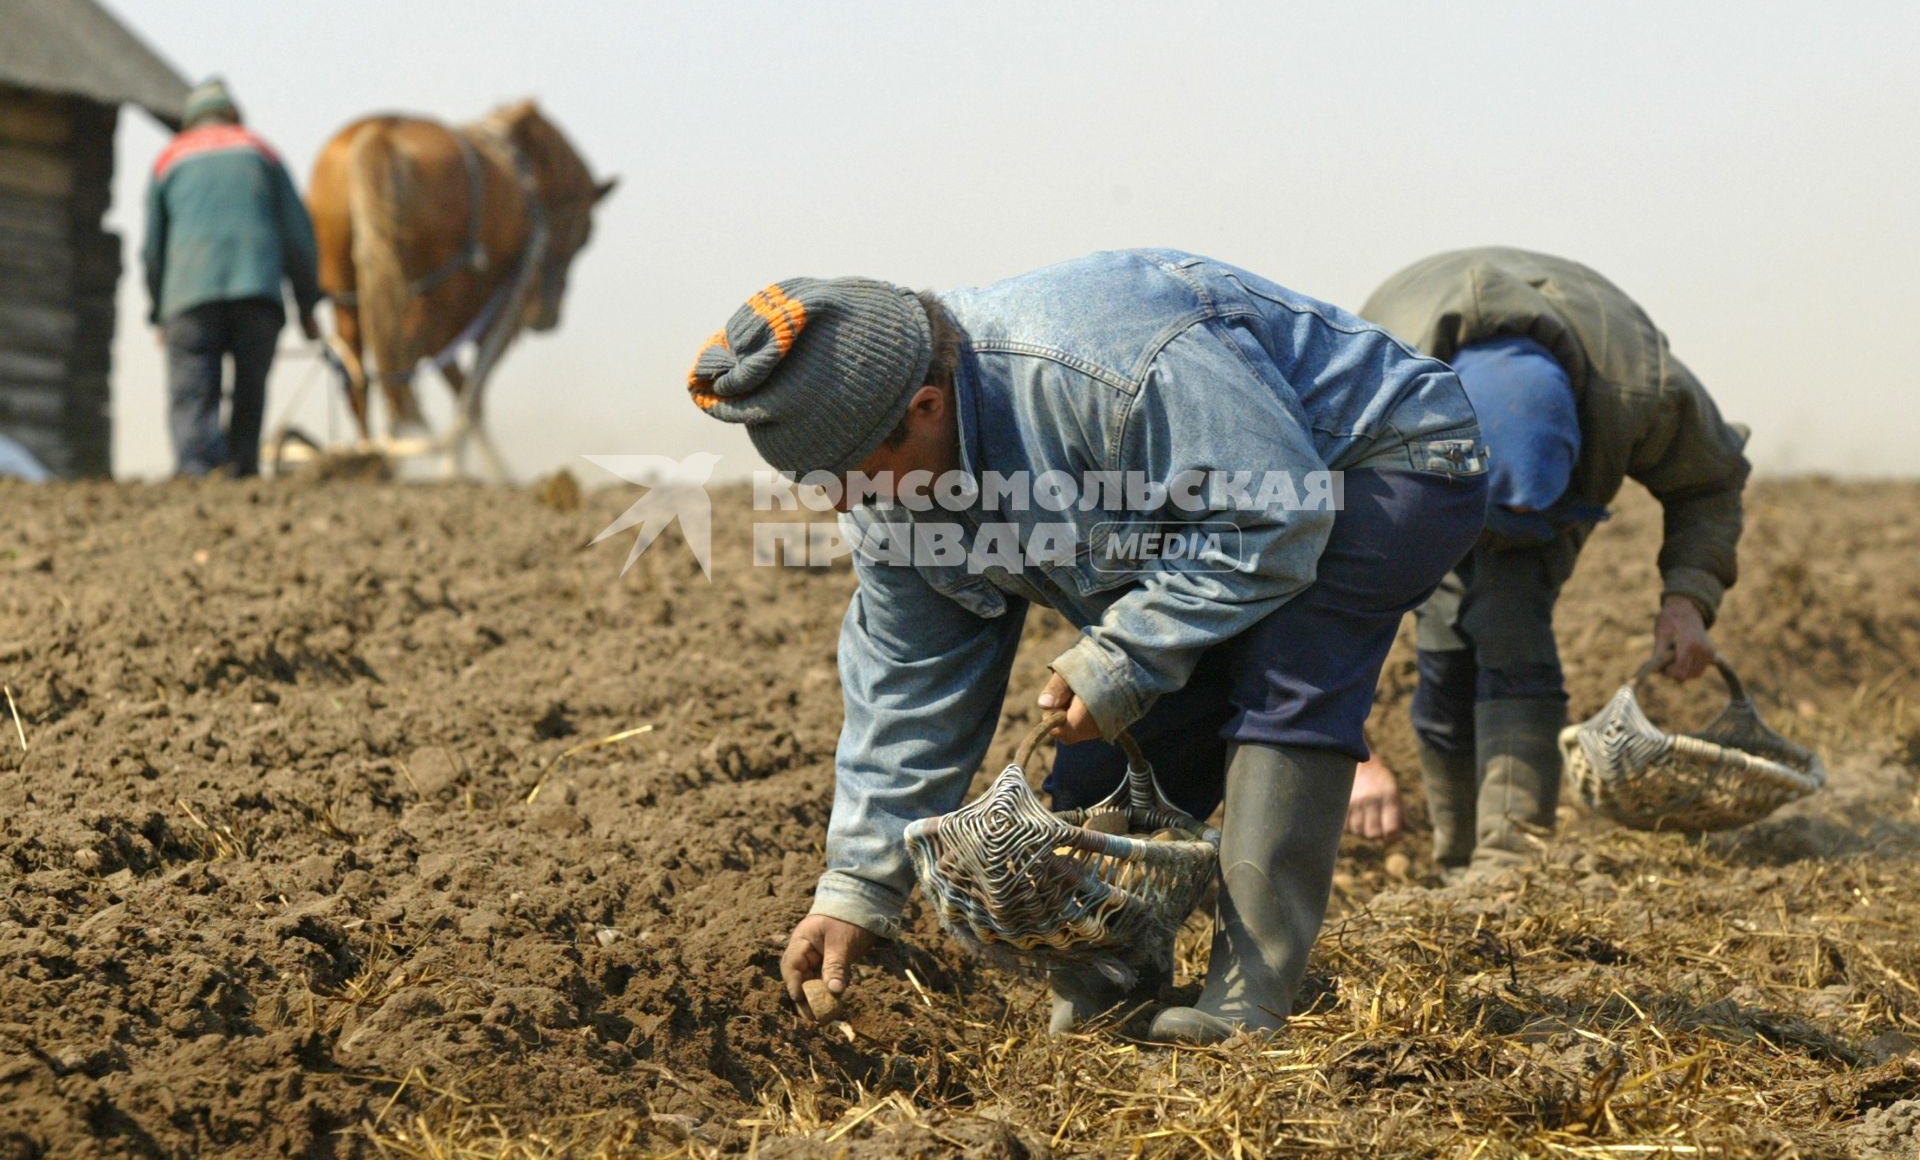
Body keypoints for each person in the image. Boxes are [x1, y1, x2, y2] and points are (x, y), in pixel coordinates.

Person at [687, 250, 1489, 1042]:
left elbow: (1274, 523)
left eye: (855, 479)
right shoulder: (887, 496)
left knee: (1285, 671)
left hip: (1376, 465)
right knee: (1105, 758)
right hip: (1213, 536)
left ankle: (1252, 1002)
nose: (845, 507)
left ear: (927, 407)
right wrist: (856, 889)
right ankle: (1108, 1003)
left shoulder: (1105, 368)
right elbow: (910, 687)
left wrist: (1123, 658)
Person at [1361, 247, 1750, 875]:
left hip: (1545, 479)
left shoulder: (1642, 392)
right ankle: (1456, 856)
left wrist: (1688, 599)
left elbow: (1709, 483)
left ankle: (1507, 865)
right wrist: (1354, 753)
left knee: (1513, 626)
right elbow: (1310, 585)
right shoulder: (1369, 397)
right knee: (1444, 648)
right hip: (1431, 484)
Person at [144, 77, 320, 478]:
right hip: (256, 292)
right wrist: (308, 306)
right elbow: (299, 238)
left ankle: (196, 472)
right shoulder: (262, 152)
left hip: (188, 298)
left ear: (190, 120)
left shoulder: (168, 160)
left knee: (192, 395)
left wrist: (159, 312)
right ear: (233, 116)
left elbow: (152, 250)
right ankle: (242, 470)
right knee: (249, 391)